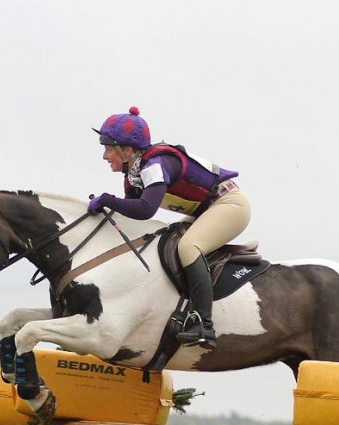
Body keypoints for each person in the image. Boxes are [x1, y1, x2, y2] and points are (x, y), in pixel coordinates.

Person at [88, 106, 251, 348]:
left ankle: (203, 323)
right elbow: (132, 218)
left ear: (128, 150)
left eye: (108, 148)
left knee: (188, 247)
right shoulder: (133, 174)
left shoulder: (154, 165)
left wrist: (108, 200)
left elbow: (145, 210)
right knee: (163, 244)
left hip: (229, 204)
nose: (104, 156)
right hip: (206, 210)